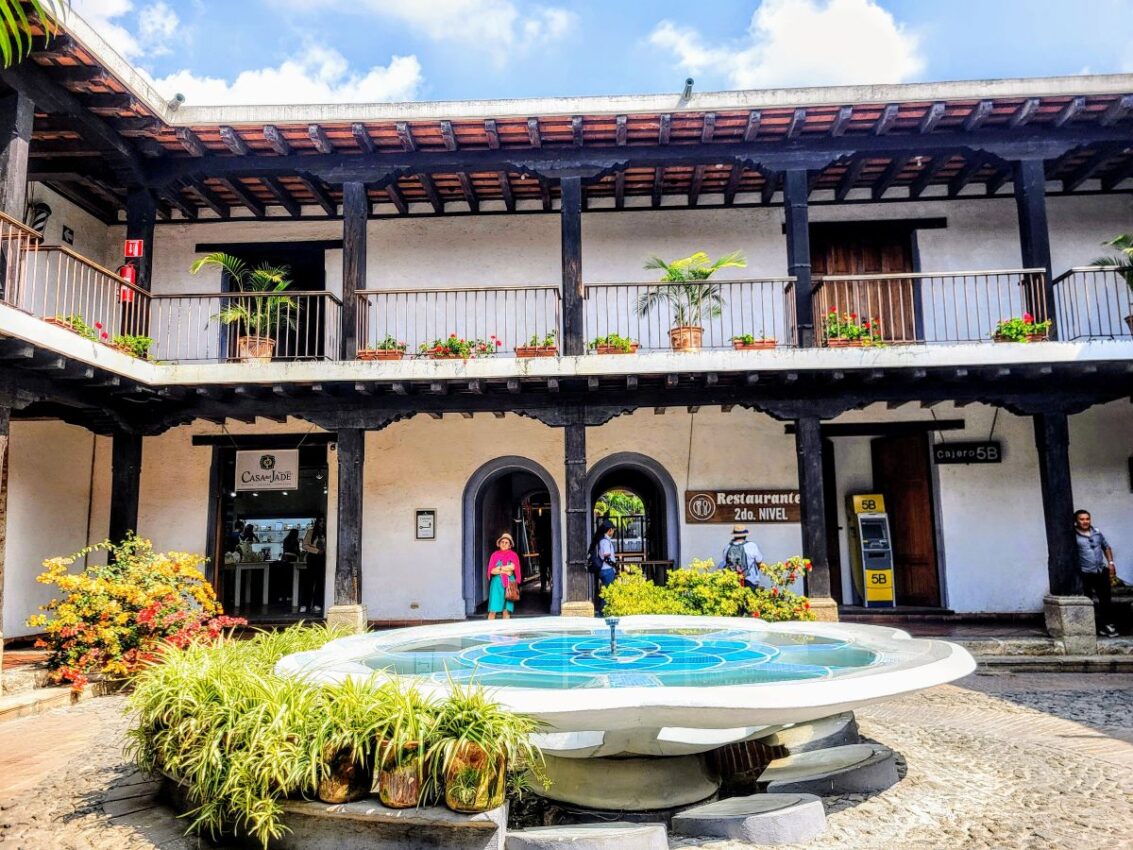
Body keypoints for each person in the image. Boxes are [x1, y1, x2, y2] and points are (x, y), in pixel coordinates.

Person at [1074, 509, 1118, 637]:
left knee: (1106, 599)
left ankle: (1107, 626)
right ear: (1076, 521)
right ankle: (1088, 628)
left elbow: (1106, 547)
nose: (1085, 521)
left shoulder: (1097, 533)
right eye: (1082, 519)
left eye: (1087, 519)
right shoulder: (1073, 535)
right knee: (1087, 600)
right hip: (1085, 572)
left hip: (1100, 571)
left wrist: (1110, 563)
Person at [486, 532, 522, 620]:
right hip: (497, 585)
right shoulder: (494, 555)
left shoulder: (513, 555)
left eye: (506, 542)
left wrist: (499, 569)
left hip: (510, 585)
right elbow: (492, 571)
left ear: (510, 545)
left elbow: (513, 567)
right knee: (492, 611)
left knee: (506, 611)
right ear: (499, 544)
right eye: (502, 542)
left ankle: (506, 632)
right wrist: (505, 571)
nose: (504, 544)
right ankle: (490, 632)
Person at [720, 524, 766, 591]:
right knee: (751, 600)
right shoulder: (752, 546)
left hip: (733, 581)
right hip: (750, 580)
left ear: (734, 535)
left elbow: (725, 563)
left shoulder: (727, 547)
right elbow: (759, 562)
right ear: (745, 535)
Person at [588, 520, 618, 615]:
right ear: (609, 530)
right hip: (607, 570)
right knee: (607, 592)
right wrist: (614, 565)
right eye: (613, 530)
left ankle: (602, 611)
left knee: (606, 591)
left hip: (605, 570)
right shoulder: (605, 542)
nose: (613, 532)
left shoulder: (604, 541)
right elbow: (606, 558)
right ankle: (602, 612)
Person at [300, 517, 326, 615]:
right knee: (309, 581)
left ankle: (317, 603)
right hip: (312, 557)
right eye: (320, 521)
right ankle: (305, 604)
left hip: (322, 558)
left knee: (320, 581)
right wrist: (316, 551)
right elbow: (305, 545)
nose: (322, 523)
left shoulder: (326, 532)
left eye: (323, 521)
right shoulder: (311, 532)